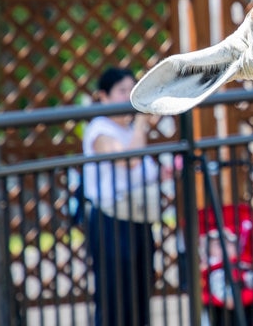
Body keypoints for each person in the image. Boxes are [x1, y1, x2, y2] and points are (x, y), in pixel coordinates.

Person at [80, 67, 162, 326]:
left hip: (138, 218)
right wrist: (140, 124)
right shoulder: (99, 129)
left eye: (132, 90)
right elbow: (129, 160)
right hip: (110, 223)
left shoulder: (127, 129)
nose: (128, 97)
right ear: (103, 97)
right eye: (122, 91)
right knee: (115, 294)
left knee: (140, 290)